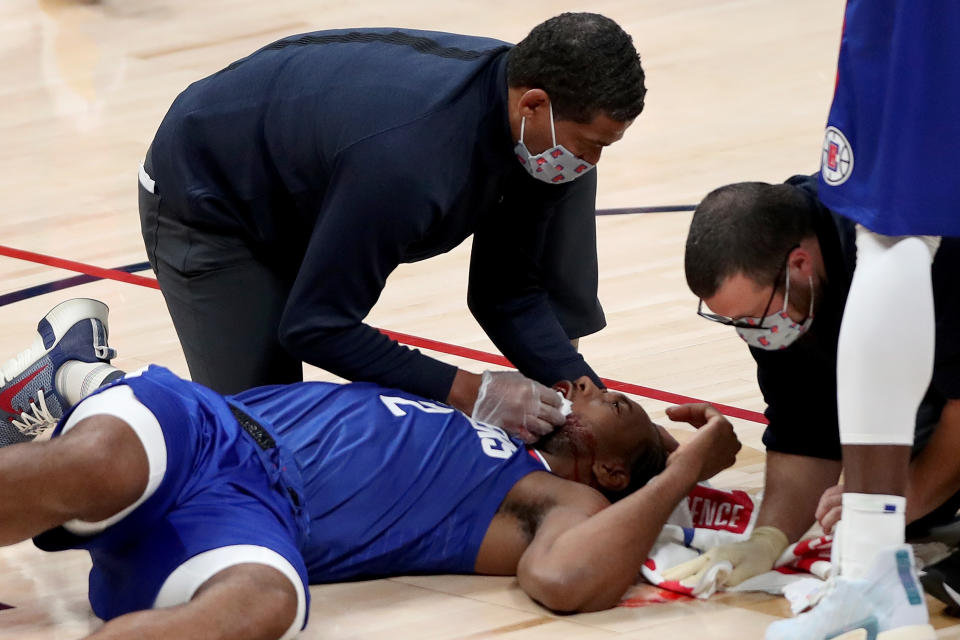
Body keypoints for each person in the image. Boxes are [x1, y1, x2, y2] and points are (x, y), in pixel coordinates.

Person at [0, 298, 741, 640]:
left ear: (607, 471)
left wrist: (690, 465)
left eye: (611, 401)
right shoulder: (506, 425)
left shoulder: (552, 500)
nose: (583, 383)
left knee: (267, 607)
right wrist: (675, 455)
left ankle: (75, 384)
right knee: (95, 461)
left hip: (254, 525)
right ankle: (82, 391)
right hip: (209, 430)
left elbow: (569, 581)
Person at [137, 13, 647, 440]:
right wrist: (475, 391)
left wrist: (601, 406)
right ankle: (77, 377)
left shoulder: (539, 132)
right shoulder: (411, 162)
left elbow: (507, 295)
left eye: (607, 144)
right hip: (210, 200)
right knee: (258, 441)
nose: (591, 160)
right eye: (589, 143)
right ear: (532, 105)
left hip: (311, 177)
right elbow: (316, 326)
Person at [677, 172, 960, 637]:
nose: (750, 332)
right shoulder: (779, 297)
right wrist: (769, 538)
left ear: (801, 264)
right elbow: (802, 424)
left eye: (751, 318)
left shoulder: (924, 244)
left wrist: (884, 508)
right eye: (734, 322)